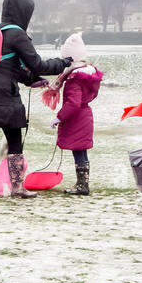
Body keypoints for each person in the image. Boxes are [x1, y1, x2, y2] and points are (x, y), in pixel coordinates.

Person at [0, 0, 71, 198]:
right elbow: (38, 64)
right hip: (3, 96)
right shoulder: (17, 34)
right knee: (15, 139)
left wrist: (32, 79)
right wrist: (63, 62)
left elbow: (9, 68)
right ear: (23, 12)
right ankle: (17, 188)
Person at [46, 32, 103, 196]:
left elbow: (73, 103)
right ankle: (83, 183)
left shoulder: (74, 79)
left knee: (78, 151)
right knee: (81, 151)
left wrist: (59, 117)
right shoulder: (87, 75)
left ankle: (82, 185)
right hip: (85, 116)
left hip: (77, 119)